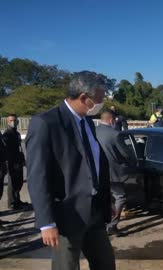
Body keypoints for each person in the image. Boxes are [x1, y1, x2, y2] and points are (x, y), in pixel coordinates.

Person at [26, 71, 115, 270]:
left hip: (95, 211)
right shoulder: (46, 123)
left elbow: (95, 164)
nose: (101, 104)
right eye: (99, 100)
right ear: (84, 98)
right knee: (66, 266)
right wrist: (46, 222)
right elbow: (37, 176)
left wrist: (106, 200)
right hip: (67, 215)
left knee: (106, 263)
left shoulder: (88, 123)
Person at [96, 109, 136, 236]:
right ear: (112, 120)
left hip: (97, 172)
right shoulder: (115, 134)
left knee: (105, 197)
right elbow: (125, 153)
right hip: (113, 172)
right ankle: (112, 225)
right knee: (120, 197)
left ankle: (102, 223)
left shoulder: (93, 131)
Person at [3, 114, 28, 210]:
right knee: (12, 183)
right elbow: (6, 150)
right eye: (10, 121)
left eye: (14, 120)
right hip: (12, 162)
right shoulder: (7, 134)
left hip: (18, 160)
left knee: (19, 182)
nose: (13, 122)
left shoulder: (16, 133)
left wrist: (22, 159)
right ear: (8, 122)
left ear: (17, 121)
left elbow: (19, 148)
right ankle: (12, 203)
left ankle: (18, 200)